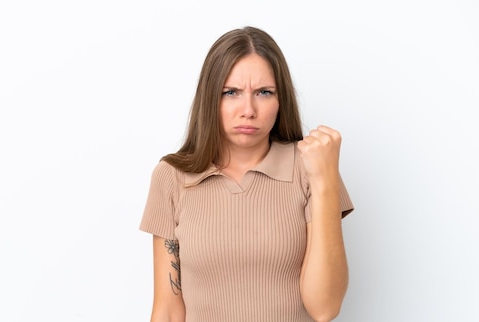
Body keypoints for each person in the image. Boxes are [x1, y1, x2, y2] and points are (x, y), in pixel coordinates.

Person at [139, 26, 354, 322]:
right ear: (210, 98)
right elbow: (167, 310)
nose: (248, 110)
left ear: (281, 101)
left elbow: (325, 308)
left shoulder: (311, 168)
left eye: (264, 92)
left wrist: (326, 180)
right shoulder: (171, 177)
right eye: (231, 93)